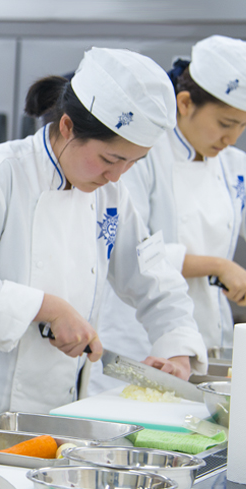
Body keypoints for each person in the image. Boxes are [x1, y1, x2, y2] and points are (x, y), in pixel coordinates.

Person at [0, 47, 207, 419]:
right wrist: (47, 307)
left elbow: (153, 276)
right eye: (110, 159)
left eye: (132, 163)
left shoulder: (111, 194)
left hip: (61, 408)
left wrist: (176, 348)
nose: (117, 176)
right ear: (67, 127)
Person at [92, 36, 246, 393]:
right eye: (225, 123)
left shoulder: (233, 166)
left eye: (242, 126)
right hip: (139, 336)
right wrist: (219, 266)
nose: (232, 138)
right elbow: (134, 248)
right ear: (185, 102)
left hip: (203, 330)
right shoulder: (142, 155)